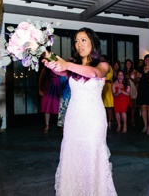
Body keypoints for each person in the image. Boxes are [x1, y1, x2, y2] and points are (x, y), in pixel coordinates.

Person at [42, 27, 117, 195]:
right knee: (73, 157)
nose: (79, 44)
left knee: (91, 157)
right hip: (73, 119)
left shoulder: (103, 65)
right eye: (76, 40)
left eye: (83, 40)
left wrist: (66, 64)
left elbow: (94, 73)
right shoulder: (72, 66)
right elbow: (58, 68)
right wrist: (42, 52)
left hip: (93, 120)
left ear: (93, 42)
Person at [39, 67, 63, 133]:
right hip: (49, 88)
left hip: (59, 87)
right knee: (47, 106)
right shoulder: (46, 69)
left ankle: (61, 125)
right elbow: (40, 79)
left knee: (60, 106)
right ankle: (47, 125)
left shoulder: (59, 67)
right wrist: (40, 89)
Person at [102, 61, 118, 128]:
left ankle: (110, 122)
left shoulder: (111, 67)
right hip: (102, 86)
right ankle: (103, 122)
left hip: (109, 87)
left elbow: (116, 76)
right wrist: (105, 80)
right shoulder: (100, 67)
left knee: (109, 106)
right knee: (102, 106)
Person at [125, 59, 139, 129]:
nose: (128, 64)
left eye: (129, 63)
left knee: (133, 104)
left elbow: (136, 81)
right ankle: (125, 119)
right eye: (127, 63)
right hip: (125, 88)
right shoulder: (124, 71)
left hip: (132, 87)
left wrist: (129, 77)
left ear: (131, 64)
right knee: (126, 104)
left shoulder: (134, 71)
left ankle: (132, 119)